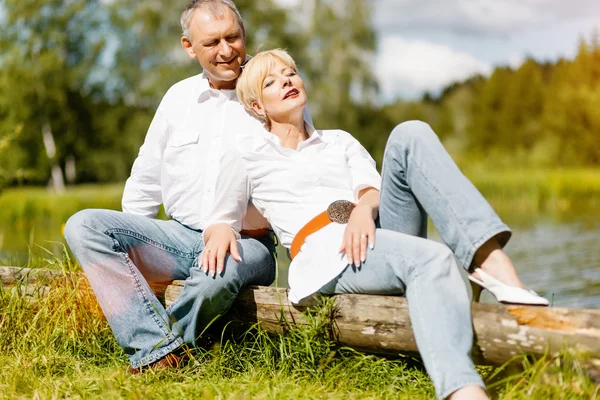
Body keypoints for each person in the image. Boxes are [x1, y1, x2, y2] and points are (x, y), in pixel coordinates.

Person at [201, 49, 549, 400]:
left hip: (372, 230)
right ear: (257, 107)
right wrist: (217, 234)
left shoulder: (339, 140)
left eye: (290, 72)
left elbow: (370, 190)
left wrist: (363, 211)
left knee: (410, 133)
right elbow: (221, 217)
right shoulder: (247, 151)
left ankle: (490, 264)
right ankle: (462, 390)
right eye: (271, 81)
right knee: (432, 259)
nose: (287, 80)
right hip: (325, 256)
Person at [64, 0, 281, 373]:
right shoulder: (176, 99)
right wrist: (135, 244)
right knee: (83, 226)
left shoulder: (274, 92)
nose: (226, 50)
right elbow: (146, 177)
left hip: (247, 242)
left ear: (244, 35)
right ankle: (160, 351)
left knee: (220, 274)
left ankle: (161, 354)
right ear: (188, 46)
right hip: (179, 238)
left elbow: (300, 169)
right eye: (212, 42)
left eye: (233, 37)